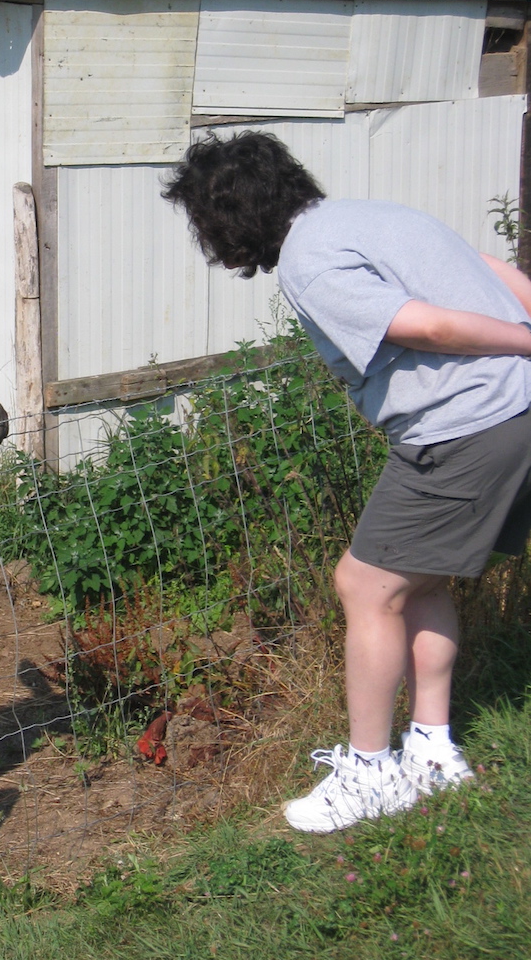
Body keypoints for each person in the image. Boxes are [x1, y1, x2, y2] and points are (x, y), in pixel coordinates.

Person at [163, 131, 531, 833]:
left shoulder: (308, 259)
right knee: (416, 582)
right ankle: (430, 753)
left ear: (227, 218)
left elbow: (423, 326)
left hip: (463, 425)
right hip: (509, 412)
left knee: (364, 585)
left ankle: (367, 772)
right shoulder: (375, 215)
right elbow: (487, 267)